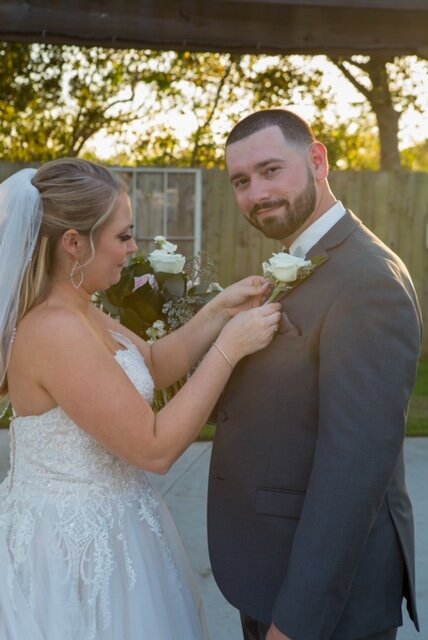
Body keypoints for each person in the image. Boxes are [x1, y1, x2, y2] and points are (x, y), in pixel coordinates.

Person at [0, 158, 281, 640]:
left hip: (120, 524)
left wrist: (218, 311)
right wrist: (229, 348)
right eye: (123, 236)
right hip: (73, 553)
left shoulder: (80, 307)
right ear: (74, 243)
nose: (133, 248)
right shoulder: (52, 330)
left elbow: (149, 363)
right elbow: (153, 448)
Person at [207, 109, 422, 640]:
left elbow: (352, 473)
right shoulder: (306, 259)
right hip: (271, 570)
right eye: (241, 181)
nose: (257, 193)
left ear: (318, 161)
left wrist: (295, 624)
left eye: (271, 170)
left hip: (320, 607)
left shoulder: (367, 281)